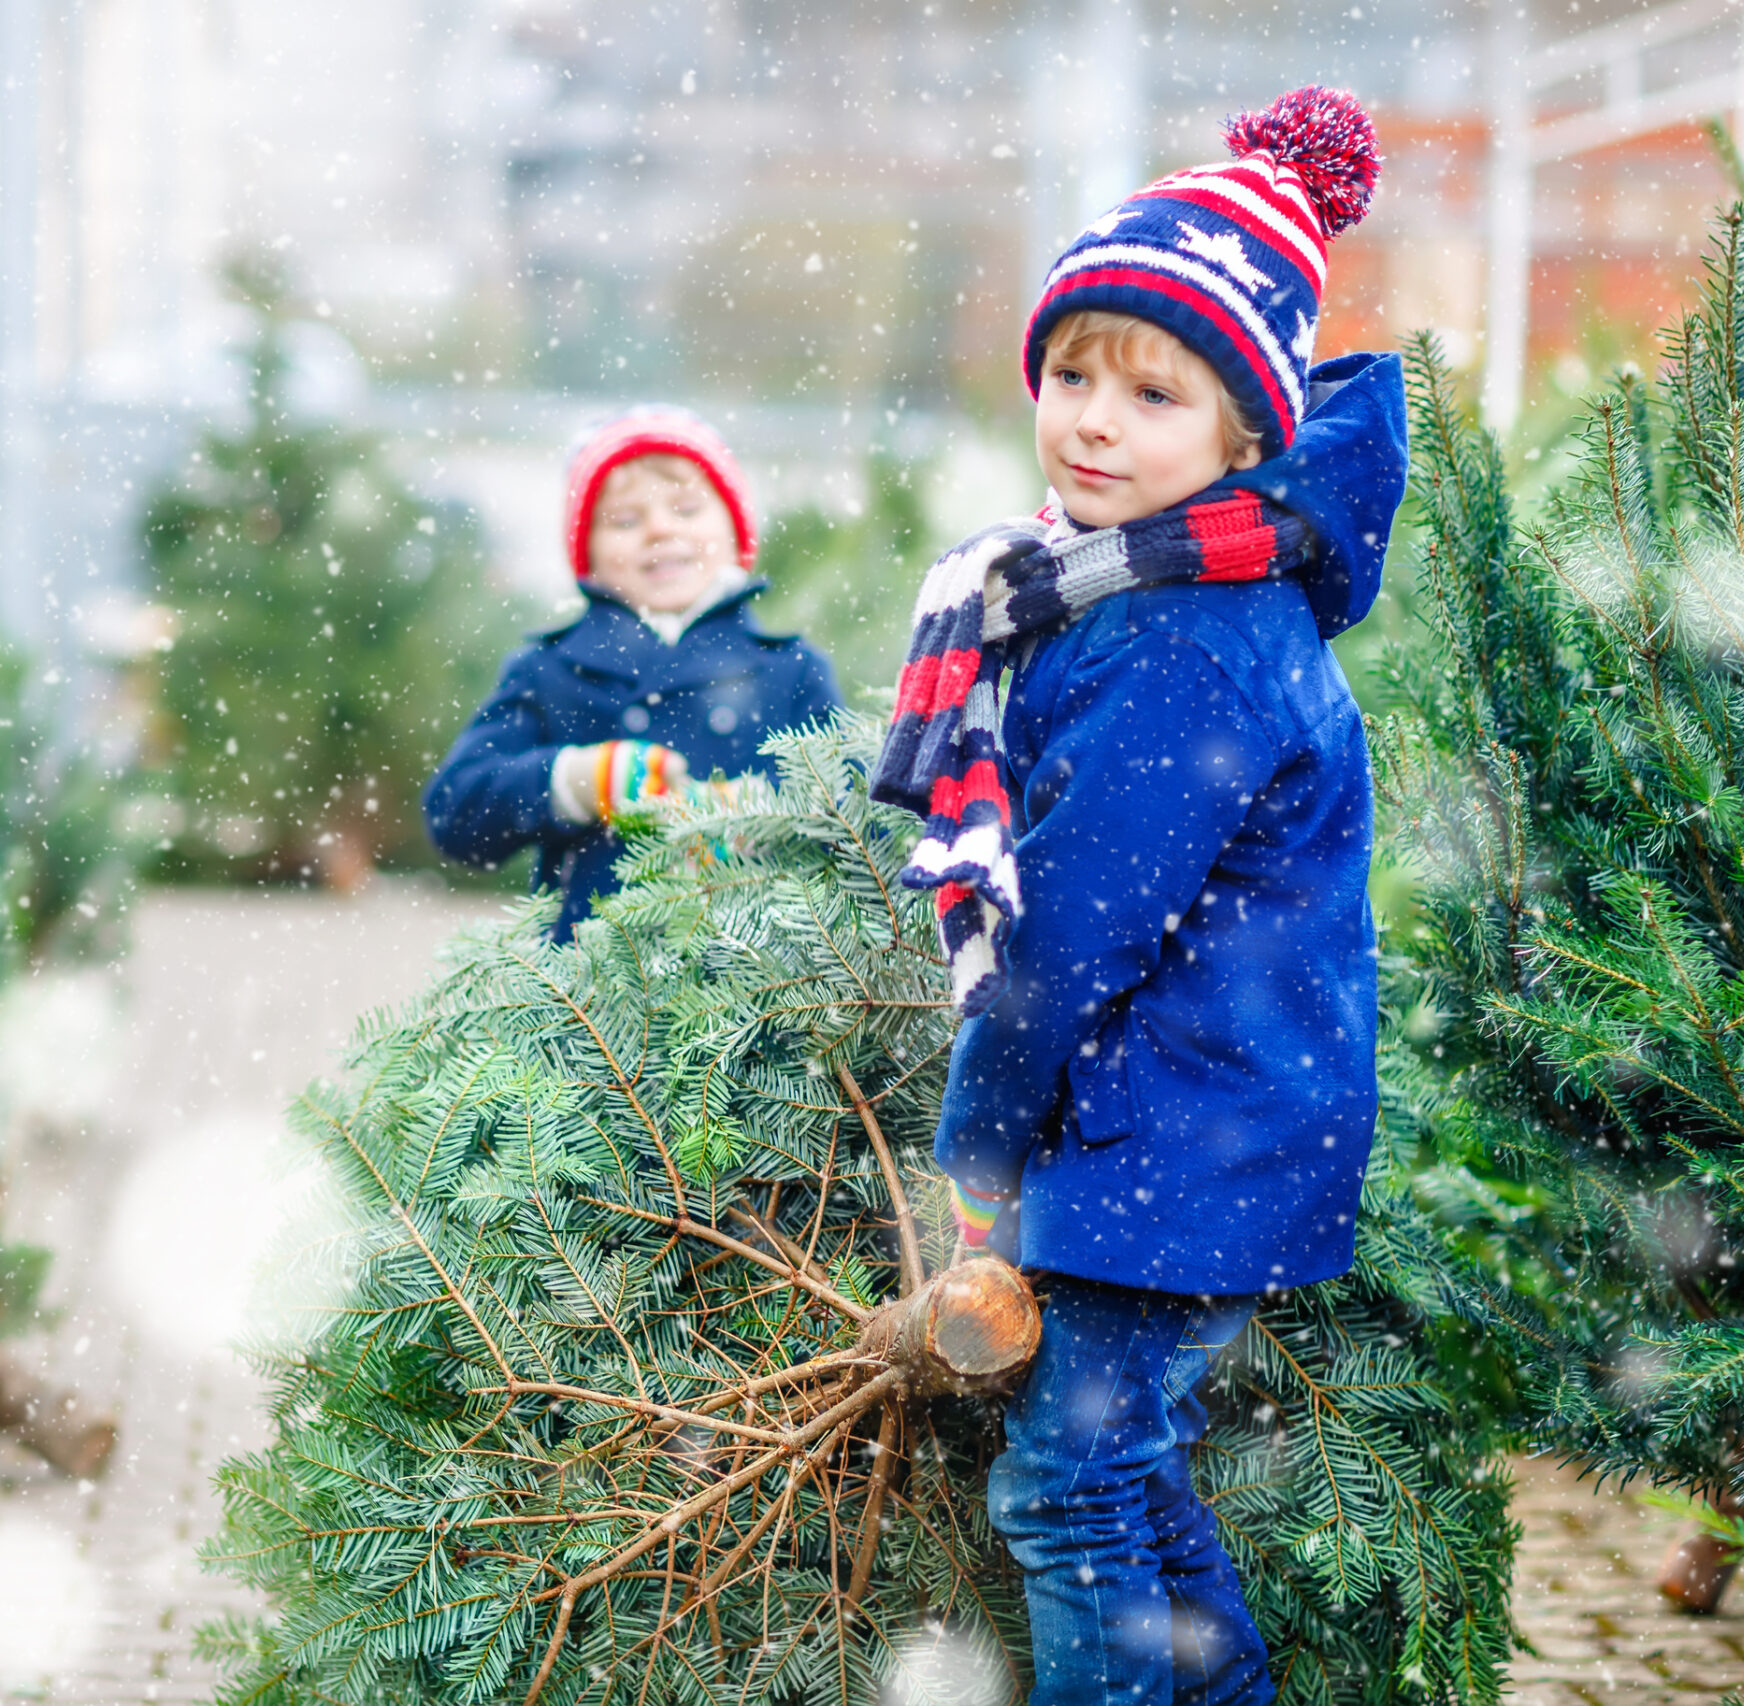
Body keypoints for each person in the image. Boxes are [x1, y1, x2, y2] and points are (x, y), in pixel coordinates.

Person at [870, 88, 1408, 1706]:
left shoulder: (1185, 644)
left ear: (1250, 434)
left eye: (1154, 391)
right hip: (1204, 1127)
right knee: (1130, 1472)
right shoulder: (1120, 591)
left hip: (1184, 1134)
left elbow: (1071, 935)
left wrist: (978, 1135)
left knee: (1069, 1485)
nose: (1095, 417)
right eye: (1073, 372)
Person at [426, 406, 843, 938]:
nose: (660, 529)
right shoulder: (550, 670)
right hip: (587, 991)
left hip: (764, 998)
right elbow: (454, 812)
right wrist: (574, 782)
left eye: (687, 508)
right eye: (625, 520)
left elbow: (857, 817)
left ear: (736, 533)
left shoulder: (792, 670)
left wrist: (751, 818)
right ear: (589, 554)